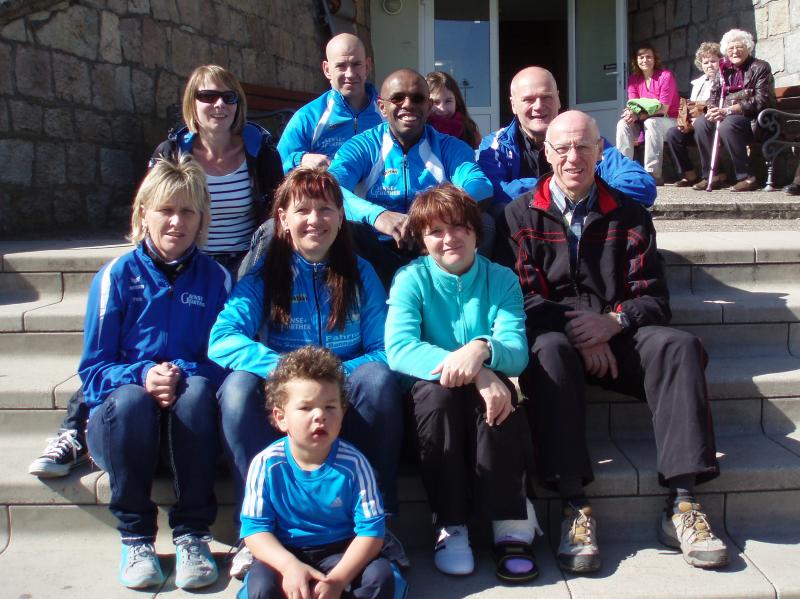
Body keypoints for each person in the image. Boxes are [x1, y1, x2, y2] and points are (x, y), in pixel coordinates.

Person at [497, 110, 728, 574]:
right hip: (557, 338)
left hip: (619, 335)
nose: (573, 157)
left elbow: (654, 298)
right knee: (547, 351)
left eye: (583, 146)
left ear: (601, 151)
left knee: (677, 347)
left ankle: (683, 502)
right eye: (562, 147)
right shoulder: (518, 214)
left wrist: (614, 322)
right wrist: (581, 328)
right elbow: (519, 297)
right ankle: (573, 505)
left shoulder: (629, 212)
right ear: (547, 153)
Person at [28, 64, 283, 479]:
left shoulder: (260, 149)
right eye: (207, 96)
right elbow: (154, 207)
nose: (218, 105)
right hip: (186, 258)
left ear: (239, 105)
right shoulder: (173, 150)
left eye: (228, 97)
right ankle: (74, 429)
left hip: (240, 263)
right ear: (191, 104)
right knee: (130, 346)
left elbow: (275, 211)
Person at [207, 167, 404, 578]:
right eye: (303, 210)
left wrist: (331, 377)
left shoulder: (361, 273)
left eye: (326, 209)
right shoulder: (265, 274)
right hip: (285, 391)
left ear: (341, 217)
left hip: (343, 386)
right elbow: (222, 339)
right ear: (283, 219)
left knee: (379, 380)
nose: (315, 219)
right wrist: (286, 373)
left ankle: (380, 522)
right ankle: (253, 531)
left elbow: (385, 349)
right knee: (237, 390)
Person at [80, 155, 231, 589]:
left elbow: (226, 363)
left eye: (188, 211)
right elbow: (93, 373)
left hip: (190, 429)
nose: (176, 222)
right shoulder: (115, 277)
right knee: (130, 399)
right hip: (124, 428)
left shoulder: (217, 280)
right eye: (166, 210)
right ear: (143, 213)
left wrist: (180, 373)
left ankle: (192, 534)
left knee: (198, 390)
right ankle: (136, 537)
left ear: (201, 219)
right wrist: (144, 375)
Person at [385, 184, 539, 582]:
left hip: (483, 394)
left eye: (458, 227)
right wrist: (476, 369)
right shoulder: (411, 279)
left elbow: (516, 350)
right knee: (439, 396)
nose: (449, 238)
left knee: (500, 395)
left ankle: (510, 521)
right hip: (430, 399)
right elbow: (399, 350)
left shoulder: (500, 279)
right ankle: (450, 524)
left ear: (475, 231)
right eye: (435, 231)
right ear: (422, 240)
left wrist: (482, 348)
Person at [239, 346, 405, 599]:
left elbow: (371, 533)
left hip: (342, 551)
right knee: (261, 588)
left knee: (380, 578)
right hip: (285, 552)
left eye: (330, 407)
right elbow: (254, 531)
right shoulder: (266, 464)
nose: (320, 416)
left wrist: (337, 580)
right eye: (306, 408)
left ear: (343, 413)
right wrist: (289, 566)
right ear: (281, 418)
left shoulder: (355, 464)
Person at [329, 68, 494, 286]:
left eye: (417, 98)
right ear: (382, 107)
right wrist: (378, 216)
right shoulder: (362, 146)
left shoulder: (449, 147)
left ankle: (468, 292)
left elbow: (480, 185)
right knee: (343, 227)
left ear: (429, 106)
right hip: (376, 247)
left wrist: (432, 218)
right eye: (397, 98)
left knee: (486, 222)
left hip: (432, 248)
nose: (408, 104)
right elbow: (330, 188)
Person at [478, 66, 656, 215]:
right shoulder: (496, 146)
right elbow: (494, 194)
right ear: (513, 105)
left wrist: (584, 196)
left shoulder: (586, 139)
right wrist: (567, 187)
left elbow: (641, 185)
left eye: (546, 97)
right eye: (528, 100)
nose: (538, 106)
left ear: (558, 99)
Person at [277, 33, 383, 173]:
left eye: (356, 64)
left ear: (367, 66)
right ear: (327, 70)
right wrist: (301, 160)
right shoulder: (308, 117)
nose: (350, 74)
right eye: (341, 66)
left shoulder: (387, 113)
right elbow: (276, 166)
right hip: (329, 187)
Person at [692, 29, 775, 192]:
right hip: (727, 116)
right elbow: (714, 96)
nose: (735, 51)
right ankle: (712, 175)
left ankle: (747, 177)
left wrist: (728, 110)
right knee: (702, 123)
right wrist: (712, 109)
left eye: (739, 47)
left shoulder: (760, 67)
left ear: (748, 48)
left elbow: (761, 100)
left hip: (754, 119)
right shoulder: (723, 69)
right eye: (731, 48)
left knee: (728, 124)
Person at [615, 46, 679, 185]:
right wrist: (630, 113)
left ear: (655, 59)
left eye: (649, 57)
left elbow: (663, 108)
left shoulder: (665, 76)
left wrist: (638, 115)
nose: (645, 60)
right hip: (643, 121)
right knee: (623, 124)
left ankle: (652, 173)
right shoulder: (634, 80)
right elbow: (633, 104)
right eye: (641, 57)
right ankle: (623, 171)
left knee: (651, 122)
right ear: (636, 60)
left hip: (669, 120)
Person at [665, 42, 723, 187]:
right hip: (697, 123)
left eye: (713, 61)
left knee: (701, 124)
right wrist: (685, 121)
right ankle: (689, 174)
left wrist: (700, 115)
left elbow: (719, 104)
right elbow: (692, 105)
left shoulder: (724, 79)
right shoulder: (698, 82)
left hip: (715, 121)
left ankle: (711, 175)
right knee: (673, 134)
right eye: (706, 62)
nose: (709, 65)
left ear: (721, 61)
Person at [425, 71, 481, 148]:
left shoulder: (469, 132)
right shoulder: (419, 130)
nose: (442, 109)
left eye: (448, 101)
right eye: (436, 102)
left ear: (456, 101)